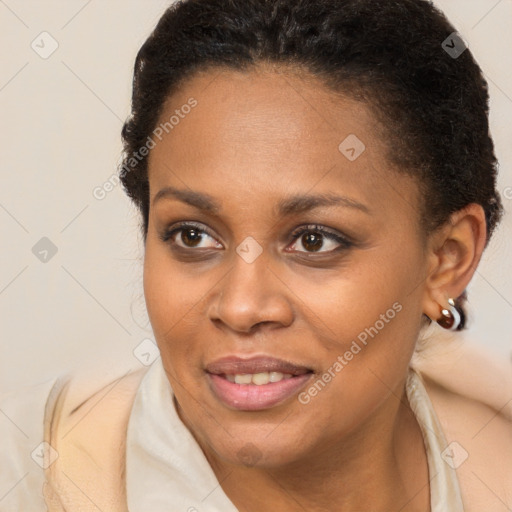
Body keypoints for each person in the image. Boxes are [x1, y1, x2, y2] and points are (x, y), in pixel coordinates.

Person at [1, 0, 511, 510]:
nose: (242, 308)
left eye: (314, 240)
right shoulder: (27, 476)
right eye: (193, 236)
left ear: (446, 260)